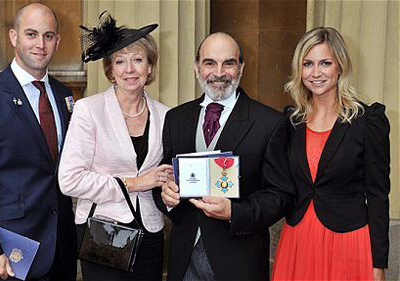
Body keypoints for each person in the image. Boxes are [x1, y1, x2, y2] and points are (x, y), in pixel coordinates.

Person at [153, 32, 295, 281]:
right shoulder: (176, 118)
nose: (218, 73)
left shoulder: (269, 123)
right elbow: (164, 175)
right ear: (197, 67)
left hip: (239, 261)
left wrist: (235, 212)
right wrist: (165, 196)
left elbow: (281, 195)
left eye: (228, 63)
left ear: (241, 67)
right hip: (183, 259)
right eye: (209, 63)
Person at [0, 3, 78, 281]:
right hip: (9, 255)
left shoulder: (63, 95)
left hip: (61, 248)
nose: (40, 44)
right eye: (31, 34)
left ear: (57, 41)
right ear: (14, 37)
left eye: (48, 36)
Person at [58, 12, 172, 281]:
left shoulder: (167, 115)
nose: (129, 69)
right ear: (110, 70)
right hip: (104, 230)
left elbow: (164, 173)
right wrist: (134, 184)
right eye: (120, 61)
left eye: (138, 60)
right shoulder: (89, 110)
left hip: (151, 230)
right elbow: (69, 180)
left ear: (150, 67)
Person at [271, 27, 390, 281]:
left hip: (348, 244)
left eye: (325, 63)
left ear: (340, 66)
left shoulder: (368, 122)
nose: (315, 73)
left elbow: (378, 196)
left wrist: (378, 264)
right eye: (308, 64)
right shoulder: (291, 122)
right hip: (297, 241)